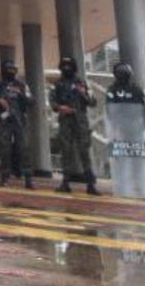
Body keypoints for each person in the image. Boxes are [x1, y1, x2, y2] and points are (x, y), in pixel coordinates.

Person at [50, 56, 100, 195]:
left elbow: (93, 102)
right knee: (66, 151)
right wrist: (60, 108)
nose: (67, 68)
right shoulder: (57, 84)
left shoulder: (82, 83)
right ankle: (65, 182)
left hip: (81, 121)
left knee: (84, 151)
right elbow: (52, 101)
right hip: (65, 120)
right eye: (64, 66)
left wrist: (83, 93)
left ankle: (90, 183)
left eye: (69, 66)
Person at [0, 59, 35, 189]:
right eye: (8, 69)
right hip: (4, 122)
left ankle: (28, 178)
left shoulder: (22, 85)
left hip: (20, 121)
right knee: (4, 149)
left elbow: (31, 101)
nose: (11, 72)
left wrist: (20, 94)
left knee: (24, 149)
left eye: (13, 69)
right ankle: (4, 177)